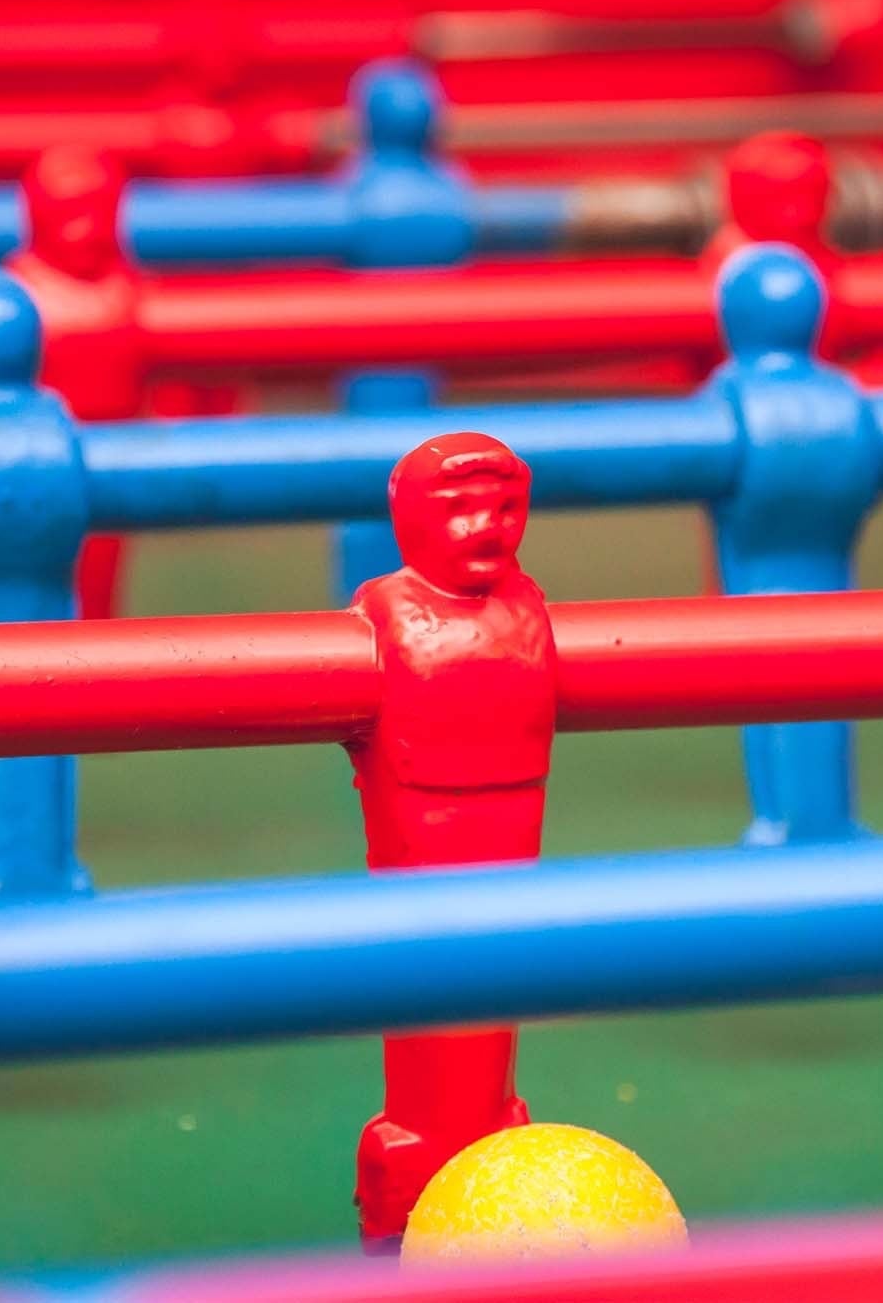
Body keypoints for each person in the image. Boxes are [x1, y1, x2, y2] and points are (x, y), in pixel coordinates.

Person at [345, 432, 556, 1247]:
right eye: (460, 508)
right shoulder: (390, 613)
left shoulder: (525, 606)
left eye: (506, 508)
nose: (487, 527)